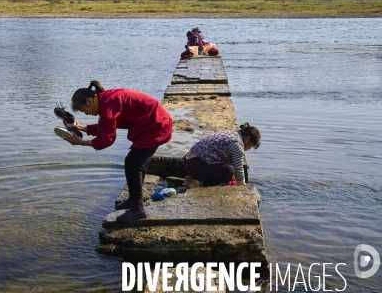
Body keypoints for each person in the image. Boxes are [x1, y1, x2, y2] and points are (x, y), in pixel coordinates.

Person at [63, 81, 173, 222]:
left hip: (156, 126)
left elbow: (107, 139)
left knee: (133, 163)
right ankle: (134, 200)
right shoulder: (105, 99)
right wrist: (82, 128)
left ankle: (137, 209)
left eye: (84, 110)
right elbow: (106, 125)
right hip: (153, 122)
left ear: (89, 101)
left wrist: (80, 143)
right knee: (136, 163)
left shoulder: (108, 104)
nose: (87, 114)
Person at [183, 123, 260, 188]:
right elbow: (238, 168)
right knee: (229, 170)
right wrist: (242, 185)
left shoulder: (233, 135)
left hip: (188, 161)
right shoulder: (237, 145)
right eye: (251, 146)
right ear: (247, 139)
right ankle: (202, 185)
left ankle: (193, 178)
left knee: (228, 172)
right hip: (195, 166)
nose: (249, 149)